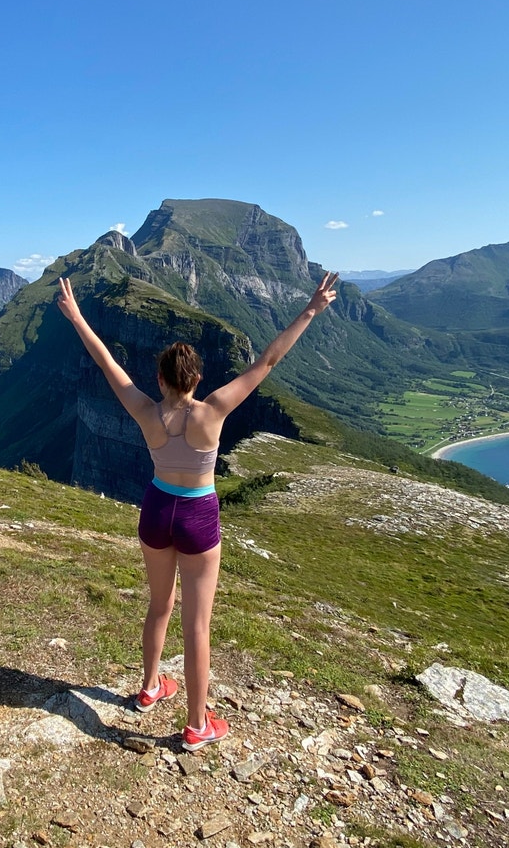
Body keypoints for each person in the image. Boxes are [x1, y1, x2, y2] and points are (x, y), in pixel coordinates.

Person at [56, 270, 340, 750]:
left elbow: (106, 363)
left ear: (161, 379)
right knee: (197, 623)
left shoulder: (146, 410)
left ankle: (149, 688)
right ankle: (195, 725)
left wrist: (78, 316)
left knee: (159, 605)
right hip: (197, 515)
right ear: (197, 379)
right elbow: (268, 361)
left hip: (156, 508)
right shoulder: (213, 411)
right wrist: (310, 309)